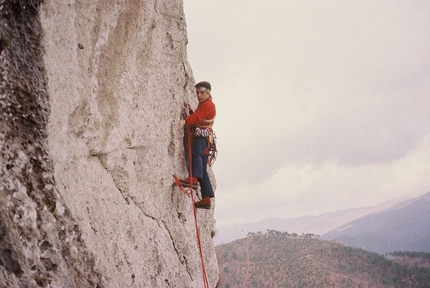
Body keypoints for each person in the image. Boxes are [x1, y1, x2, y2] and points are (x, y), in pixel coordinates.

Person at [177, 81, 216, 209]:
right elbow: (200, 115)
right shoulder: (206, 104)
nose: (198, 95)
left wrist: (185, 121)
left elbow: (199, 117)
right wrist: (191, 111)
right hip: (207, 139)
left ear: (208, 92)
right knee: (203, 170)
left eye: (201, 93)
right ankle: (206, 199)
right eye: (197, 93)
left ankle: (193, 179)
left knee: (196, 154)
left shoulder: (207, 105)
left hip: (202, 137)